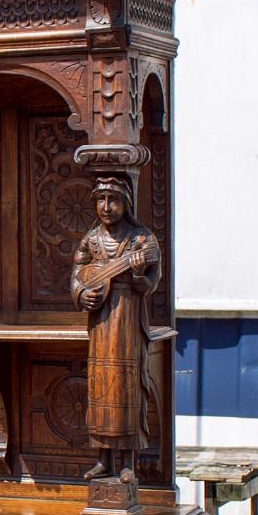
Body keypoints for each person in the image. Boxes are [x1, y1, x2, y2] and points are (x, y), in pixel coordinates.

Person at [70, 176, 161, 480]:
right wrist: (83, 294)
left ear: (127, 203)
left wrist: (137, 276)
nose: (106, 207)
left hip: (126, 319)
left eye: (114, 200)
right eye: (101, 200)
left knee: (126, 387)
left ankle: (127, 463)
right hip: (100, 323)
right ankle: (103, 458)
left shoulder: (140, 240)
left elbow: (151, 282)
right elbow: (77, 276)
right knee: (100, 387)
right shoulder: (91, 239)